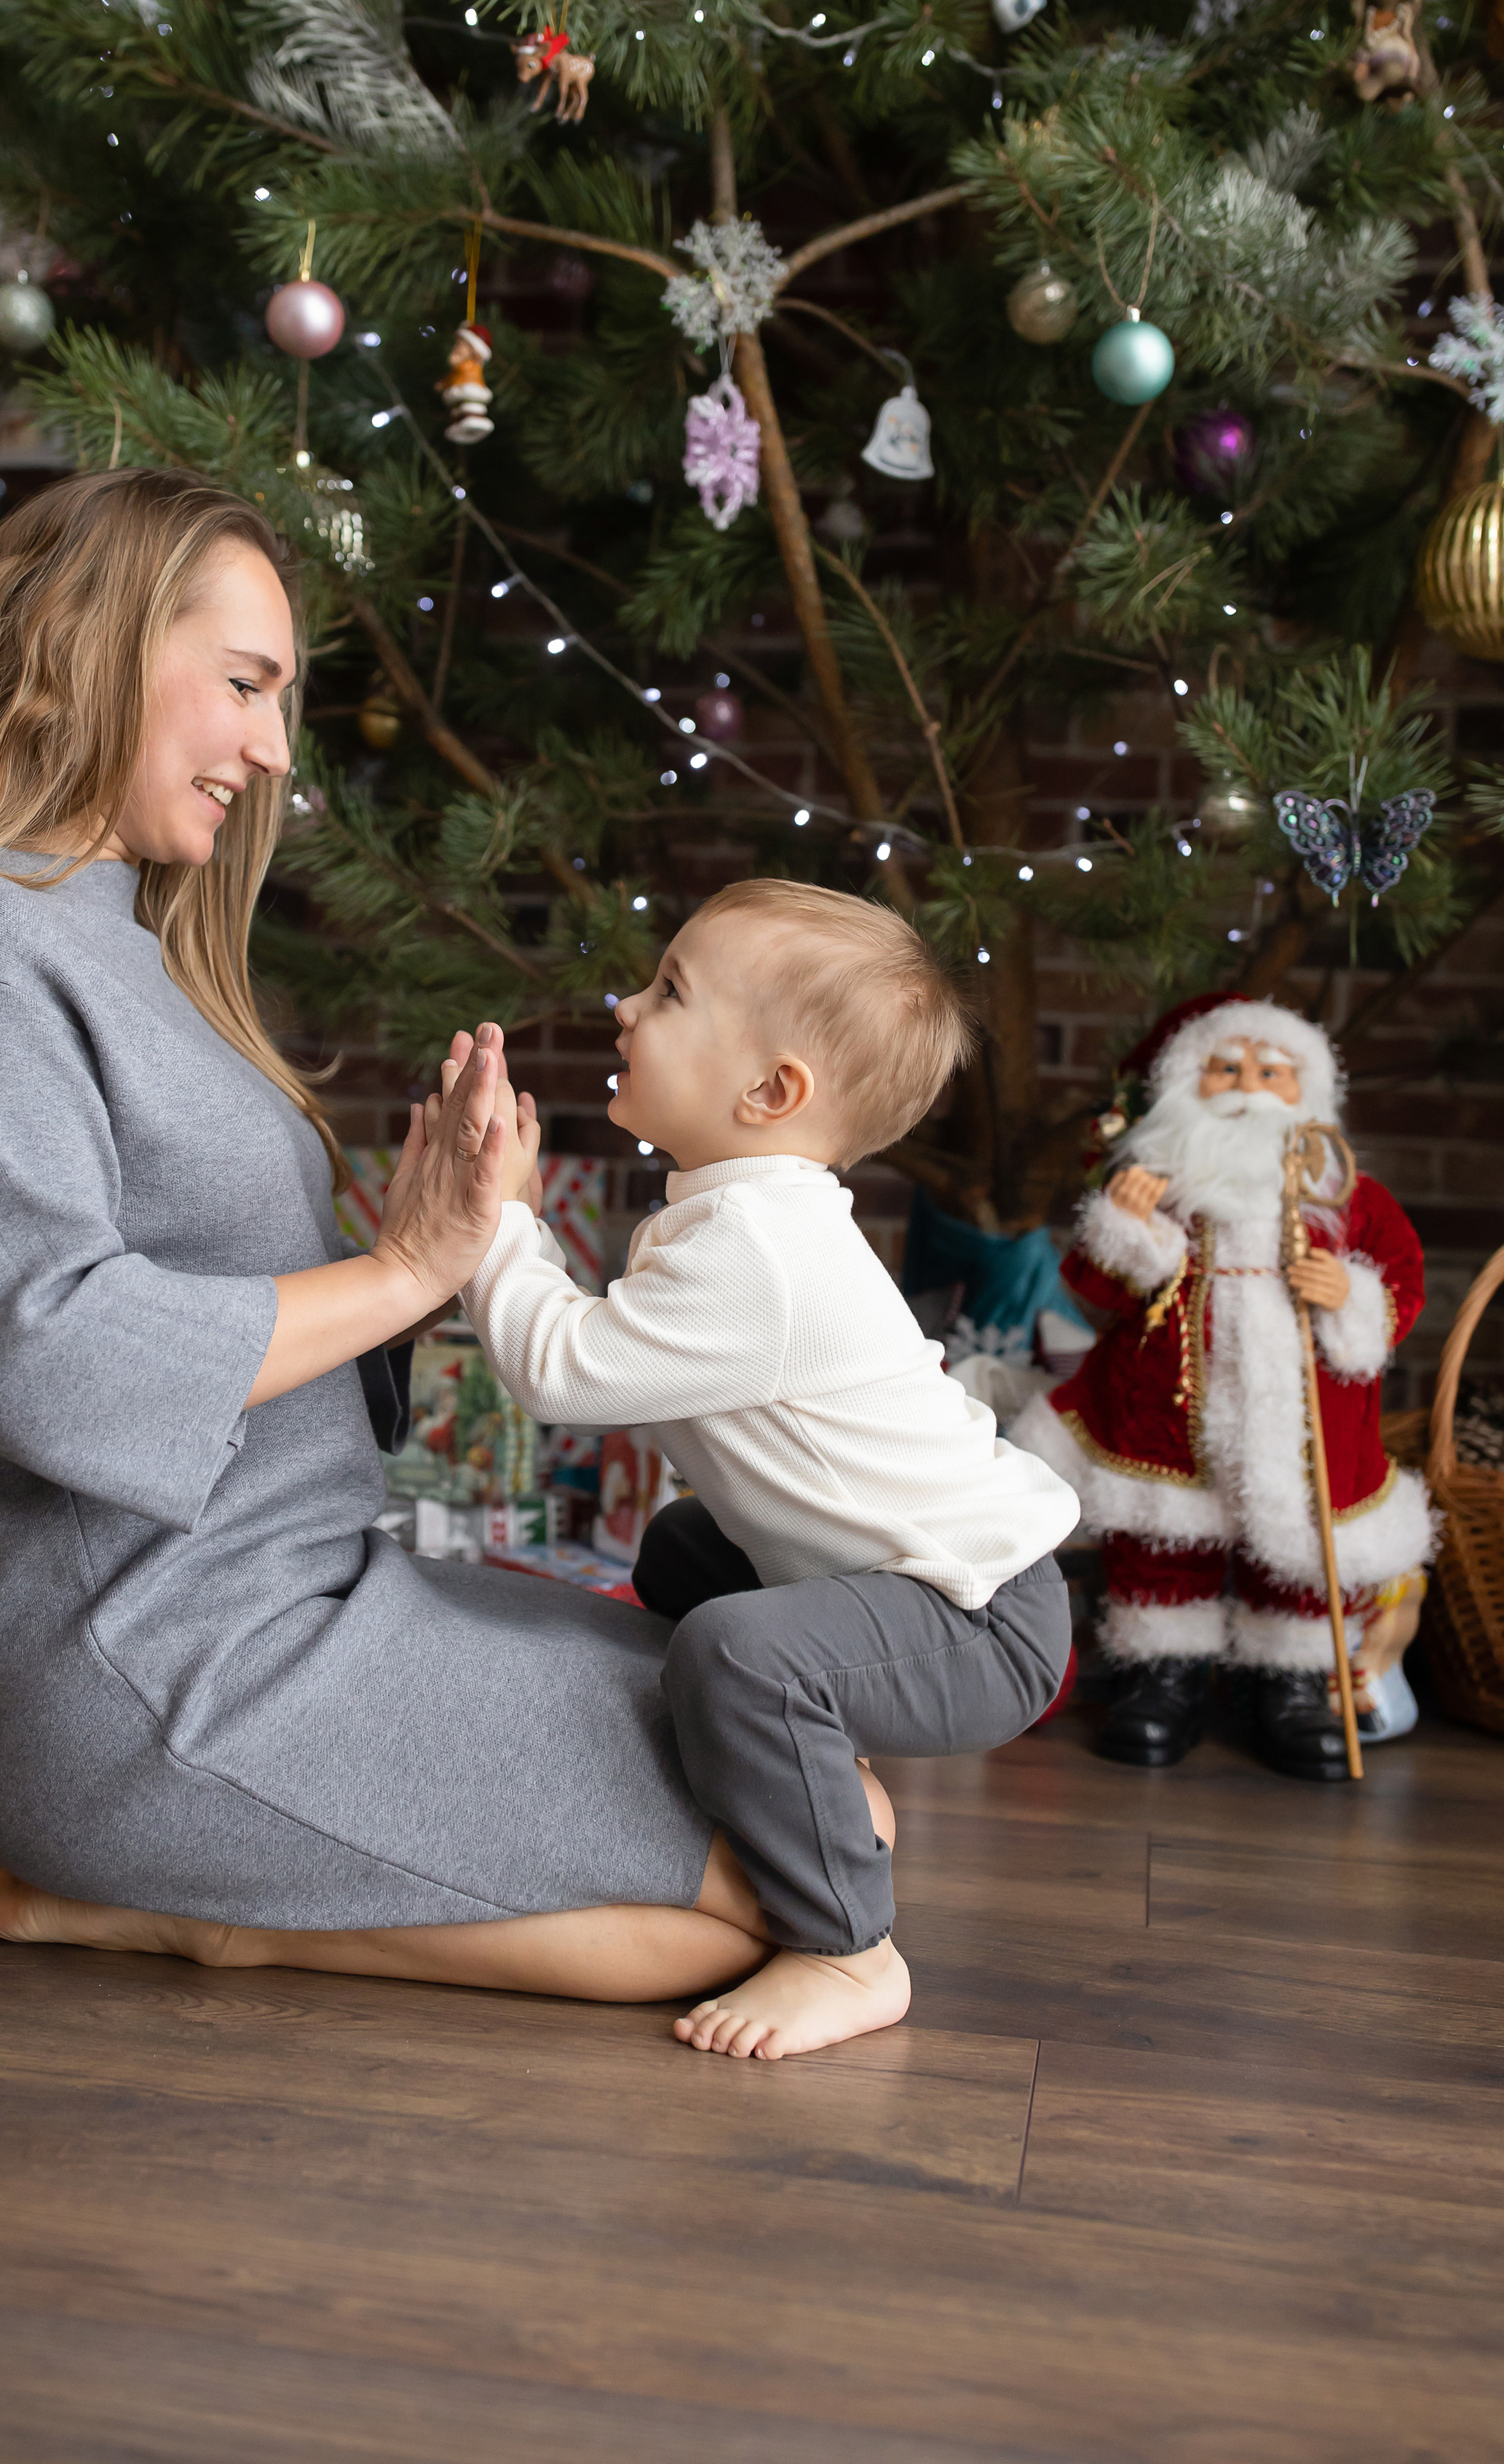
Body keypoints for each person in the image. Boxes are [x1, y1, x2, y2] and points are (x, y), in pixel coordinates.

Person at [0, 467, 785, 2020]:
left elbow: (250, 1337)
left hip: (312, 1596)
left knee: (807, 1788)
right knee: (786, 1889)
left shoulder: (116, 939)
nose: (274, 749)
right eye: (244, 686)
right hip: (157, 1672)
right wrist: (404, 1266)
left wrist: (437, 1237)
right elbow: (49, 1354)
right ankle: (191, 1917)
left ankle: (170, 1898)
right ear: (91, 647)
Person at [455, 881, 1079, 2063]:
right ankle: (784, 1753)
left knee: (732, 1648)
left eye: (671, 992)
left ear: (771, 1091)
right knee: (685, 1550)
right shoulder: (742, 1216)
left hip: (980, 1619)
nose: (627, 1006)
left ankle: (848, 1949)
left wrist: (498, 1219)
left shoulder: (764, 1252)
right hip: (927, 1582)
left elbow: (562, 1369)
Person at [1008, 996, 1429, 1780]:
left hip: (1305, 1416)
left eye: (1269, 1071)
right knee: (1164, 1538)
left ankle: (1296, 1679)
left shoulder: (1346, 1197)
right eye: (1224, 1068)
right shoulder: (1158, 1183)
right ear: (1182, 1082)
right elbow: (1094, 1285)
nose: (1246, 1086)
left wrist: (1346, 1293)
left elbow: (1401, 1279)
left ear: (1303, 1088)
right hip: (1168, 1409)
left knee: (1300, 1547)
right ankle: (1162, 1674)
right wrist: (1130, 1231)